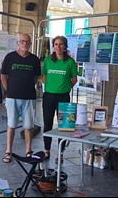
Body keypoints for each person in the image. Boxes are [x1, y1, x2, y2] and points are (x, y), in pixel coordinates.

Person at [0, 33, 41, 163]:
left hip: (29, 97)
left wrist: (26, 87)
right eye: (22, 41)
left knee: (28, 126)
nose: (25, 43)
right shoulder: (10, 57)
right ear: (18, 43)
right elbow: (3, 76)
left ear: (30, 44)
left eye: (27, 41)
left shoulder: (34, 59)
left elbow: (35, 78)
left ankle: (28, 151)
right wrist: (9, 90)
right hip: (12, 98)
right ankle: (8, 151)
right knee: (11, 125)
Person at [41, 36, 78, 164]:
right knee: (47, 124)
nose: (58, 47)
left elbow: (74, 79)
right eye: (56, 44)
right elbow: (44, 76)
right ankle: (47, 151)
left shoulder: (70, 62)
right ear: (53, 46)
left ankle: (60, 153)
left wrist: (66, 87)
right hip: (49, 96)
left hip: (63, 96)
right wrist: (50, 84)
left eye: (61, 44)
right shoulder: (47, 61)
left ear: (65, 46)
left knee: (63, 126)